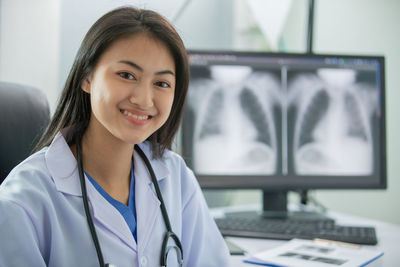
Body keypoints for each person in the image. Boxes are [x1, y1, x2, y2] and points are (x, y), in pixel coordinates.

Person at [0, 6, 230, 267]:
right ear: (87, 77)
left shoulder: (176, 178)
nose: (143, 99)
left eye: (162, 83)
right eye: (126, 75)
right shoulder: (22, 203)